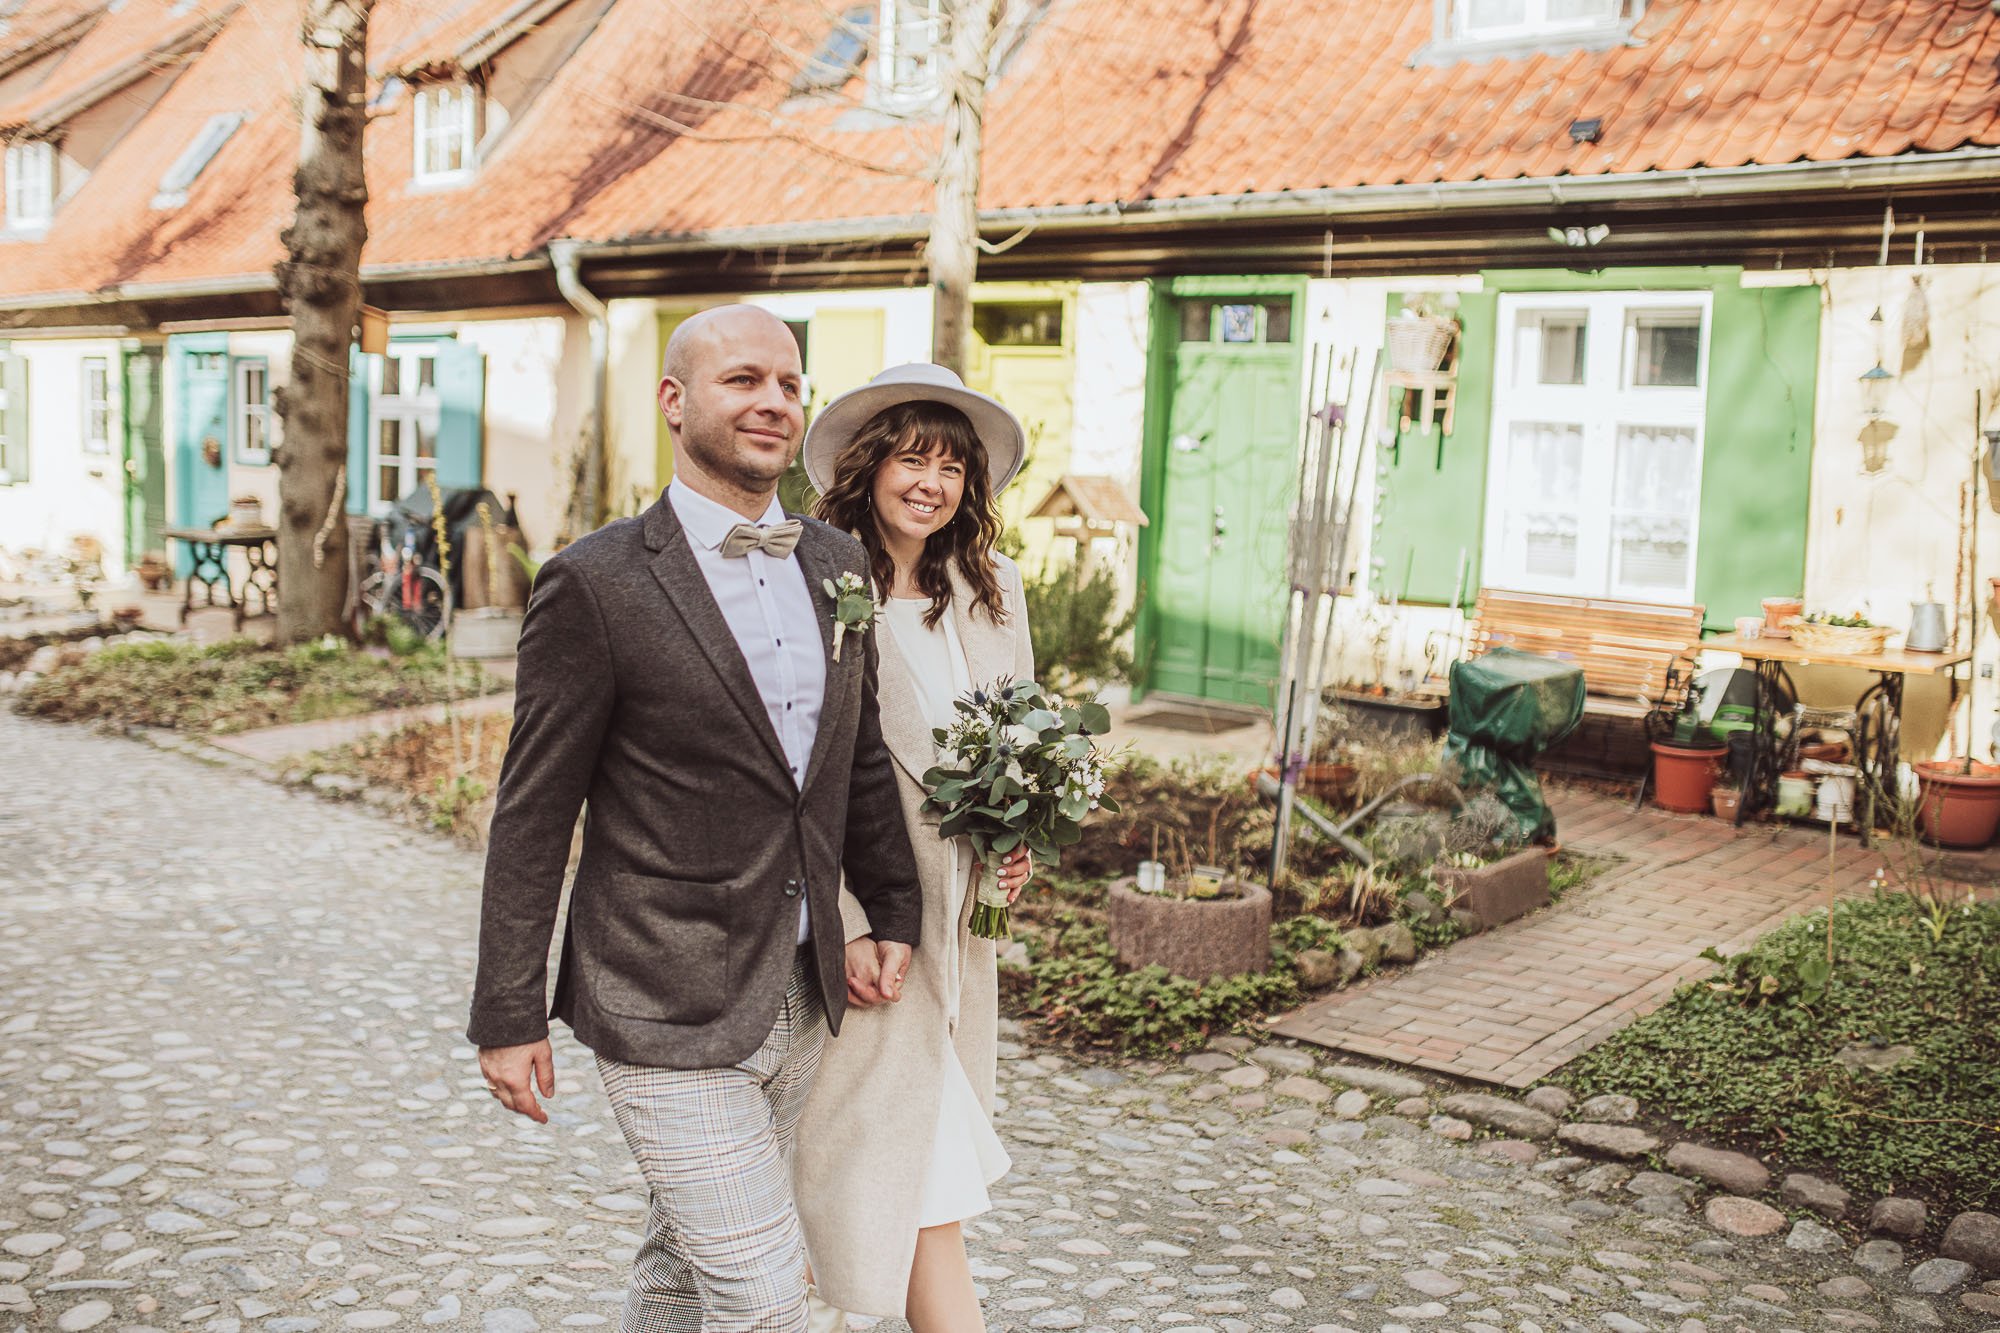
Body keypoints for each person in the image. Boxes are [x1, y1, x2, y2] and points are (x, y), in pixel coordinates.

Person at [467, 305, 925, 1333]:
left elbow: (852, 761)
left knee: (681, 1265)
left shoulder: (839, 567)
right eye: (742, 379)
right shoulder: (596, 583)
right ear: (674, 401)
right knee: (764, 1299)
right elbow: (533, 812)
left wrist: (889, 908)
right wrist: (508, 1010)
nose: (771, 401)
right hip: (658, 992)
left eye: (789, 383)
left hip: (799, 990)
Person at [792, 364, 1039, 1331]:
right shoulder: (819, 586)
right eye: (912, 458)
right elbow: (802, 777)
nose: (931, 483)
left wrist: (1016, 847)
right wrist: (848, 918)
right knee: (889, 1165)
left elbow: (1019, 738)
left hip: (961, 927)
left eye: (952, 467)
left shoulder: (994, 590)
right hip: (868, 930)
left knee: (898, 1166)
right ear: (871, 464)